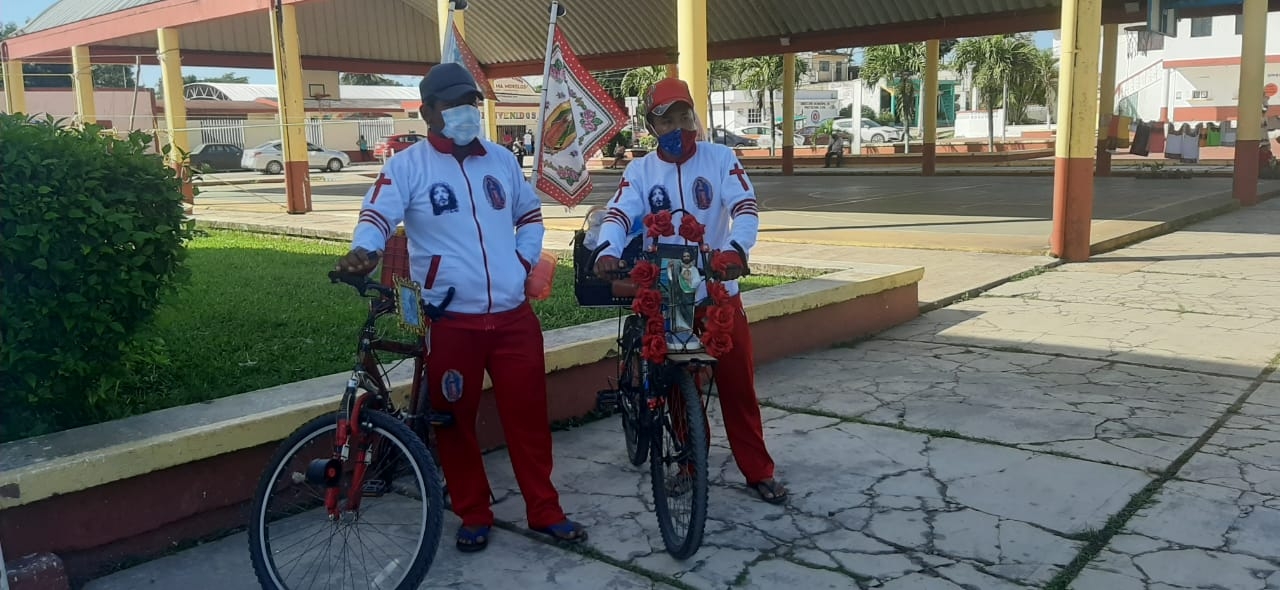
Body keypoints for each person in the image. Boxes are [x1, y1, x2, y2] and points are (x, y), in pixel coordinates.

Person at [335, 62, 587, 552]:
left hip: (514, 318)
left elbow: (530, 217)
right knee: (453, 421)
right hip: (452, 321)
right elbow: (376, 216)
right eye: (453, 104)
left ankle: (544, 510)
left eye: (470, 102)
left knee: (529, 418)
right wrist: (364, 249)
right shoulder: (407, 167)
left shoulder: (501, 160)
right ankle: (474, 512)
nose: (466, 112)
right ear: (428, 110)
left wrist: (518, 262)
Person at [592, 77, 789, 505]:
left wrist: (737, 247)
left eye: (685, 115)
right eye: (668, 119)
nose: (680, 126)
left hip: (717, 288)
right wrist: (607, 248)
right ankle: (687, 461)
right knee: (677, 385)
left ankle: (757, 470)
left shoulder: (721, 158)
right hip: (670, 293)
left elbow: (745, 208)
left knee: (738, 385)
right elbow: (619, 213)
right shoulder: (640, 170)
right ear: (652, 125)